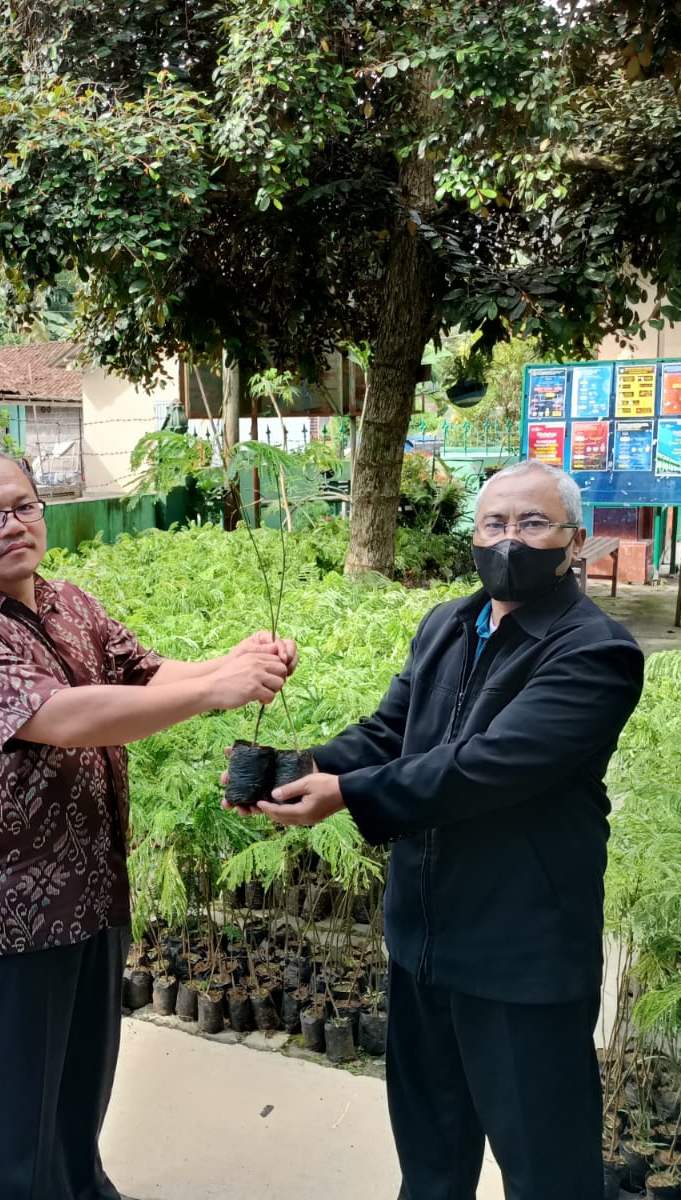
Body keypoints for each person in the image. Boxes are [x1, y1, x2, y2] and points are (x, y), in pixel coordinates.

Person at [248, 461, 644, 1200]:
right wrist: (303, 767)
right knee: (430, 1164)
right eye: (494, 523)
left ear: (575, 542)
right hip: (423, 944)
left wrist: (346, 794)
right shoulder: (449, 625)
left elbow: (485, 768)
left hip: (519, 955)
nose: (509, 539)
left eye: (532, 523)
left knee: (547, 1174)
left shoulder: (595, 651)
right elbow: (390, 731)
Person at [0, 447, 296, 1200]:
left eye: (23, 506)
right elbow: (65, 718)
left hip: (90, 903)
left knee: (71, 1119)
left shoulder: (70, 604)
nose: (12, 524)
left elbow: (145, 673)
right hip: (6, 919)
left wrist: (233, 664)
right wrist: (216, 690)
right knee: (4, 1140)